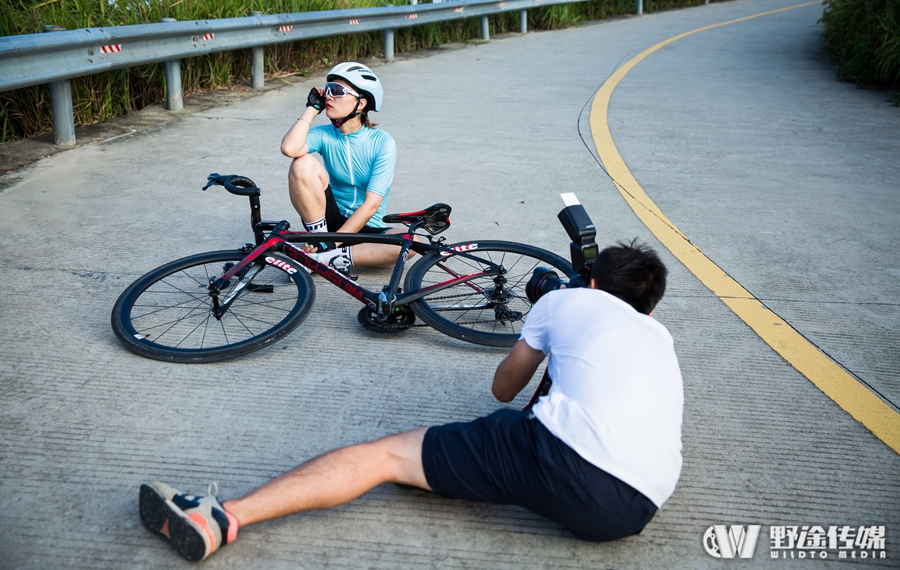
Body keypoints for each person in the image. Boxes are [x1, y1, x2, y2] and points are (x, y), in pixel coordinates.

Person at [139, 241, 683, 562]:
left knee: (385, 457)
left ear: (587, 282)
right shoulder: (659, 338)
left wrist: (549, 324)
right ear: (649, 307)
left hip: (558, 457)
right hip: (633, 509)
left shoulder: (568, 302)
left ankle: (223, 517)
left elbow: (502, 390)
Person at [281, 61, 403, 271]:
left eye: (337, 91)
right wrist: (312, 108)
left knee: (409, 241)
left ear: (361, 103)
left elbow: (371, 205)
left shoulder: (383, 143)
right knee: (302, 163)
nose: (328, 96)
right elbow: (290, 148)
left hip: (367, 228)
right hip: (327, 222)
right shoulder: (324, 134)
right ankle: (319, 243)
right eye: (328, 90)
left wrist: (332, 244)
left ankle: (321, 259)